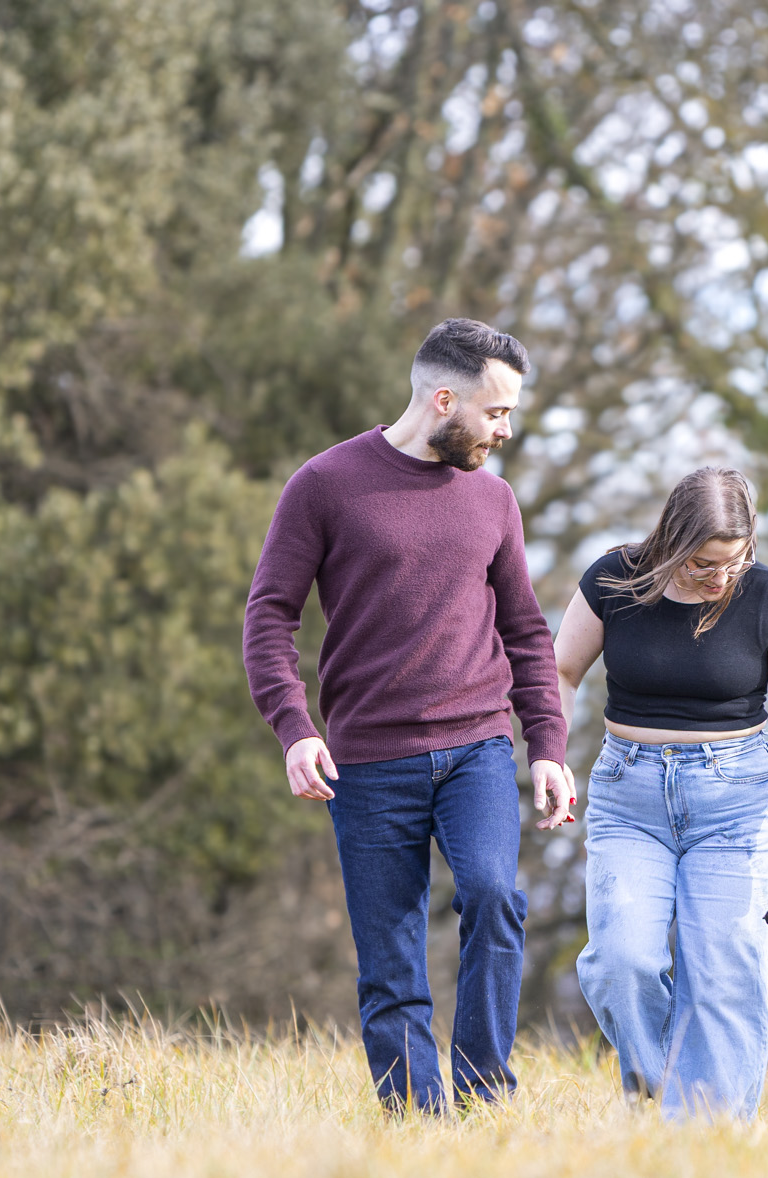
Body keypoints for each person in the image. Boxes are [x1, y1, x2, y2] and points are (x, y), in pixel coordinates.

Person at [242, 318, 575, 1113]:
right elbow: (269, 616)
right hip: (367, 762)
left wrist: (547, 745)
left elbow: (527, 632)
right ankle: (419, 1121)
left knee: (493, 896)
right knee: (391, 961)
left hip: (477, 747)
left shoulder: (494, 501)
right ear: (445, 400)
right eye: (497, 412)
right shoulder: (324, 485)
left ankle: (485, 1097)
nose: (505, 430)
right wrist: (295, 729)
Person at [552, 468, 768, 1118]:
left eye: (733, 561)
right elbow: (562, 671)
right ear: (672, 540)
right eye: (703, 562)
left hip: (734, 802)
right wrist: (552, 756)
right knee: (620, 961)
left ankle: (705, 1133)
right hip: (630, 798)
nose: (720, 576)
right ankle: (665, 1091)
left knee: (723, 972)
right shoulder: (614, 580)